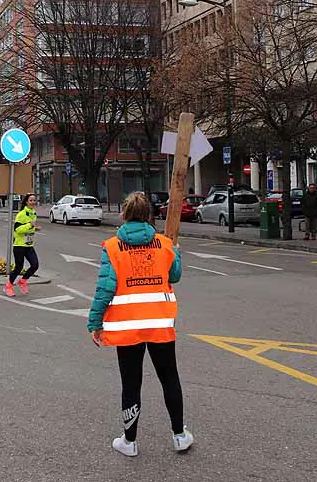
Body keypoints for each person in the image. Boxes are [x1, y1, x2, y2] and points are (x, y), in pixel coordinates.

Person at [88, 192, 193, 458]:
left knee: (131, 384)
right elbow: (175, 276)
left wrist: (95, 323)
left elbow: (105, 289)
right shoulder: (164, 244)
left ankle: (130, 441)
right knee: (170, 379)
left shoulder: (112, 247)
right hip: (159, 324)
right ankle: (179, 435)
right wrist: (176, 255)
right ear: (149, 215)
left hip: (127, 328)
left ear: (123, 215)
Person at [6, 193, 41, 296]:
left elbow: (29, 228)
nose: (33, 202)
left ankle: (22, 281)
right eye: (31, 200)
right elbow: (17, 229)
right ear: (26, 202)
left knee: (35, 265)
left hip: (29, 245)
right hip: (19, 245)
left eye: (34, 200)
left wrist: (35, 228)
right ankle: (8, 286)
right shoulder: (21, 214)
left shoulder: (33, 213)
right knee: (18, 267)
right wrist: (29, 225)